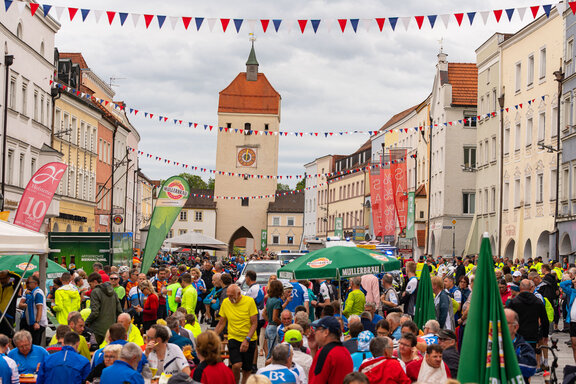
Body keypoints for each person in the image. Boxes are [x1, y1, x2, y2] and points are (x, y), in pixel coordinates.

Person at [215, 284, 258, 384]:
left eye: (231, 296)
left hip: (249, 338)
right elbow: (221, 322)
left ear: (239, 294)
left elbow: (254, 323)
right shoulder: (226, 302)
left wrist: (247, 339)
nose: (229, 298)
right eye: (228, 295)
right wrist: (212, 336)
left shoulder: (249, 301)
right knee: (236, 365)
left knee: (247, 369)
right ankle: (235, 382)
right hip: (233, 337)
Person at [506, 279, 549, 352]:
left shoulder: (514, 302)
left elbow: (506, 318)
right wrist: (545, 334)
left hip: (517, 334)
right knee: (530, 356)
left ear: (520, 288)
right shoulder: (538, 302)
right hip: (532, 335)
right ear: (531, 288)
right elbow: (544, 319)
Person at [309, 316, 353, 384]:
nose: (314, 332)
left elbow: (317, 380)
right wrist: (313, 349)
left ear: (326, 332)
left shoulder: (325, 353)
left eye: (317, 329)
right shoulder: (345, 351)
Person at [85, 272, 123, 345]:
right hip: (111, 329)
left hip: (97, 329)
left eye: (90, 284)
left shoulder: (95, 292)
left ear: (95, 282)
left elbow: (95, 312)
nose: (90, 287)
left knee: (95, 350)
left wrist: (86, 323)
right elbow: (119, 311)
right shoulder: (113, 292)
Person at [505, 308, 536, 382]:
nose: (500, 326)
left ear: (515, 327)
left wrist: (504, 359)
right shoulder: (491, 345)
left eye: (505, 323)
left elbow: (530, 368)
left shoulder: (524, 347)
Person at [18, 275, 48, 345]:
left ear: (35, 283)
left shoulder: (37, 293)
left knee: (35, 344)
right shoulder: (30, 293)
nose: (27, 284)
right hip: (31, 323)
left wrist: (37, 322)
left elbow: (39, 308)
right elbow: (20, 304)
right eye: (26, 283)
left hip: (37, 324)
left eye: (28, 283)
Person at [264, 280, 284, 358]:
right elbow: (275, 318)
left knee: (270, 351)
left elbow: (264, 314)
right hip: (274, 327)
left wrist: (269, 321)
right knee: (273, 353)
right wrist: (282, 324)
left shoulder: (269, 299)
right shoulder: (277, 302)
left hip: (268, 326)